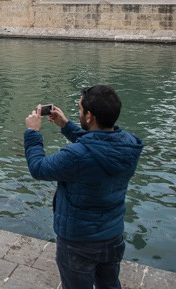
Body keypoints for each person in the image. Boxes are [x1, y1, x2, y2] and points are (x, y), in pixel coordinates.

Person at [24, 85, 143, 289]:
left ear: (89, 116)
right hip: (112, 235)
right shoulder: (130, 144)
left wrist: (32, 132)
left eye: (80, 109)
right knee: (110, 285)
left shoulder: (75, 156)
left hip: (78, 242)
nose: (78, 112)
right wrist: (66, 125)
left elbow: (38, 168)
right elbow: (98, 143)